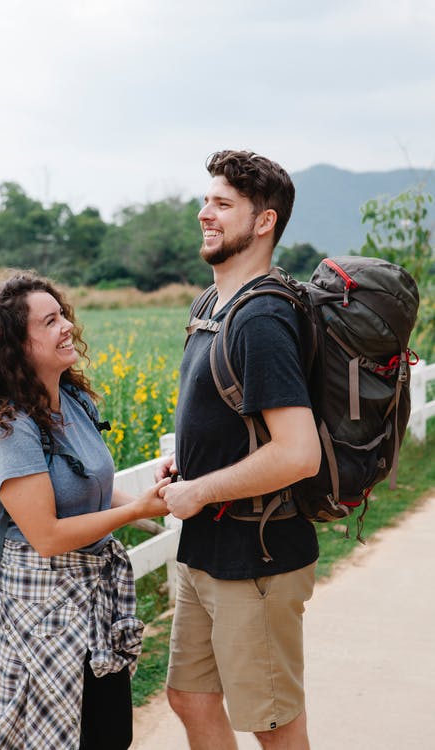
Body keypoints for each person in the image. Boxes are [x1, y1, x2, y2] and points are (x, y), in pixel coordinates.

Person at [0, 270, 170, 750]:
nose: (67, 327)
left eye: (62, 315)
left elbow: (91, 488)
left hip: (91, 597)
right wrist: (135, 509)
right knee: (57, 740)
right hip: (41, 607)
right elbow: (47, 535)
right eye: (49, 322)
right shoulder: (7, 428)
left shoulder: (70, 400)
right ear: (15, 347)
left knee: (111, 733)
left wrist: (157, 506)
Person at [157, 150, 322, 750]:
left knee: (271, 723)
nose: (205, 213)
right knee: (190, 697)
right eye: (207, 200)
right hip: (208, 548)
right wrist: (194, 466)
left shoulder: (262, 319)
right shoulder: (212, 306)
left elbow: (298, 453)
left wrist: (199, 490)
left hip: (256, 555)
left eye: (223, 204)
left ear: (263, 222)